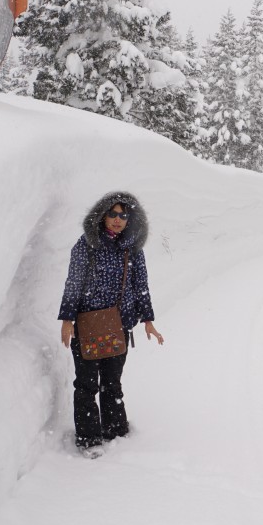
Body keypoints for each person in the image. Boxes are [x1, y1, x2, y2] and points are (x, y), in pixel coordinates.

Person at [58, 191, 163, 457]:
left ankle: (115, 430)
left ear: (131, 219)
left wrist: (148, 319)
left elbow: (141, 286)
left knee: (112, 382)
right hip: (87, 325)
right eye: (113, 214)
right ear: (103, 215)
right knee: (86, 384)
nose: (118, 220)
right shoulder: (87, 245)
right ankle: (89, 438)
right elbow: (73, 283)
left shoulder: (132, 249)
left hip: (119, 325)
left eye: (123, 215)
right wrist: (67, 320)